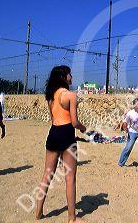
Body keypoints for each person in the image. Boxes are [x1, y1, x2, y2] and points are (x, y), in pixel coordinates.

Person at [35, 66, 86, 223]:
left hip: (53, 132)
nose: (71, 76)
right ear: (64, 77)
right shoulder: (70, 95)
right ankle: (72, 218)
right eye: (69, 73)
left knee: (47, 175)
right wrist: (84, 129)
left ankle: (38, 213)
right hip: (66, 134)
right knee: (70, 178)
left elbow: (52, 118)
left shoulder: (50, 96)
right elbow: (74, 122)